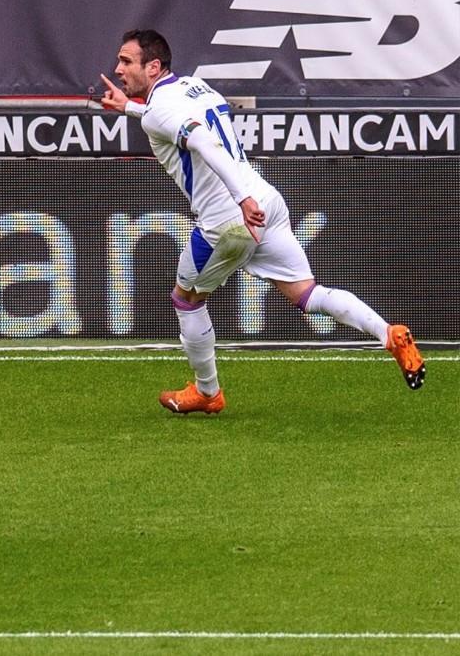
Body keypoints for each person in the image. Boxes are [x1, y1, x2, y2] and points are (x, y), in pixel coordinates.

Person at [99, 29, 425, 414]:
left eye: (126, 61)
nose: (118, 69)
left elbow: (201, 141)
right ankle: (389, 333)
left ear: (153, 67)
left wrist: (241, 199)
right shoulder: (195, 88)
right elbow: (167, 120)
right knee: (308, 294)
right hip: (267, 200)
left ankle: (207, 393)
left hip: (230, 218)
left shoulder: (159, 110)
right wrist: (129, 107)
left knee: (186, 300)